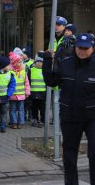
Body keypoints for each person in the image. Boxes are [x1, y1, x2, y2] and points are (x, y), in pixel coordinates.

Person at [42, 33, 95, 185]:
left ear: (93, 48)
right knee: (70, 156)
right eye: (79, 47)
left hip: (92, 117)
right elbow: (51, 81)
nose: (82, 51)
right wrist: (47, 61)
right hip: (70, 117)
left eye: (86, 48)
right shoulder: (66, 63)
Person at [9, 52, 30, 129]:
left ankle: (20, 122)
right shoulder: (10, 72)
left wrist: (27, 92)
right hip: (12, 95)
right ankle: (14, 123)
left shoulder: (23, 72)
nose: (20, 63)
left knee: (21, 109)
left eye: (21, 62)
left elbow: (26, 83)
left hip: (21, 95)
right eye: (18, 62)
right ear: (14, 63)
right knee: (13, 110)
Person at [28, 54, 46, 128]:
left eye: (41, 62)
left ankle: (42, 120)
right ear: (35, 62)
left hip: (42, 93)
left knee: (42, 108)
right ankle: (35, 119)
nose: (39, 63)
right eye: (37, 61)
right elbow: (28, 81)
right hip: (33, 93)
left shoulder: (45, 70)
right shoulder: (31, 70)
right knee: (34, 108)